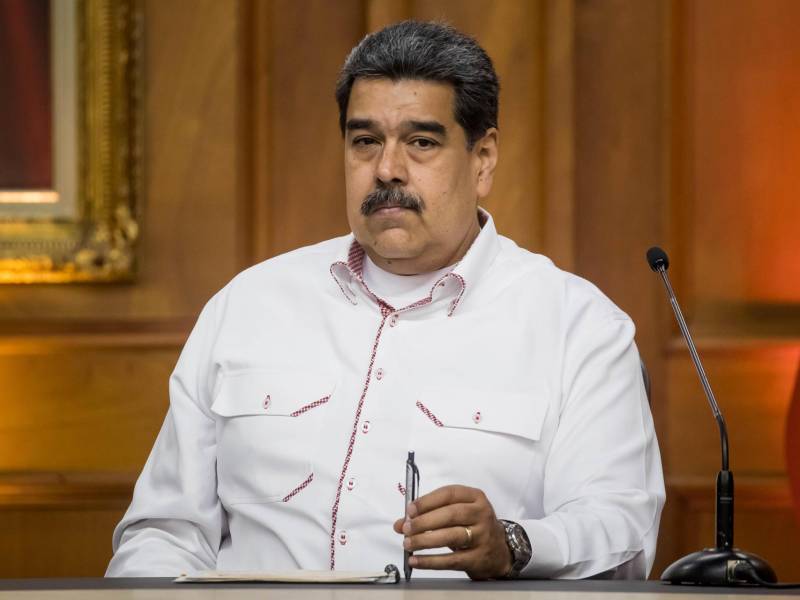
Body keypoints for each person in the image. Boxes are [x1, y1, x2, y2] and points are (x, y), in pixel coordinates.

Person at [106, 20, 664, 580]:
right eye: (365, 141)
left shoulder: (577, 326)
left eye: (421, 142)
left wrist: (515, 544)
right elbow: (164, 532)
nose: (387, 170)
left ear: (484, 158)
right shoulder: (248, 305)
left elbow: (622, 533)